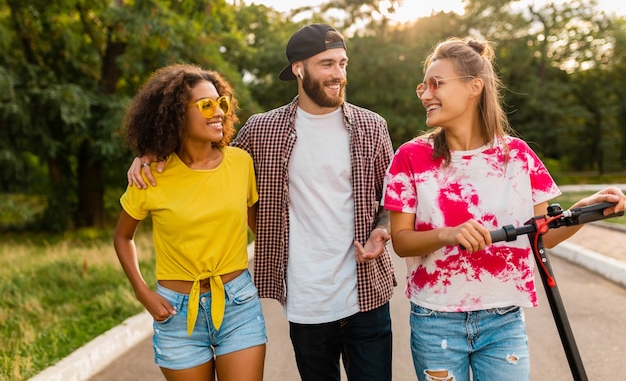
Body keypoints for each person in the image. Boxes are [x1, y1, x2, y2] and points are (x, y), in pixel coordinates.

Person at [127, 23, 397, 381]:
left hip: (367, 295)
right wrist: (150, 153)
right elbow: (205, 162)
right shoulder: (262, 130)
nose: (338, 74)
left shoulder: (371, 127)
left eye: (343, 63)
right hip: (306, 300)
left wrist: (383, 229)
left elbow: (394, 200)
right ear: (299, 69)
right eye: (327, 64)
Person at [382, 37, 626, 381]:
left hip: (503, 320)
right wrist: (447, 234)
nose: (425, 94)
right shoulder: (411, 157)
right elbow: (402, 241)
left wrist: (585, 208)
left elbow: (541, 236)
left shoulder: (518, 156)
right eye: (423, 85)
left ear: (474, 87)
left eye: (437, 84)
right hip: (436, 320)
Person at [114, 63, 267, 381]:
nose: (219, 113)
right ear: (176, 114)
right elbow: (122, 237)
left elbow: (263, 228)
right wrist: (143, 292)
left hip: (237, 304)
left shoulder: (240, 163)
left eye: (221, 103)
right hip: (175, 312)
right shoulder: (151, 174)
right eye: (206, 105)